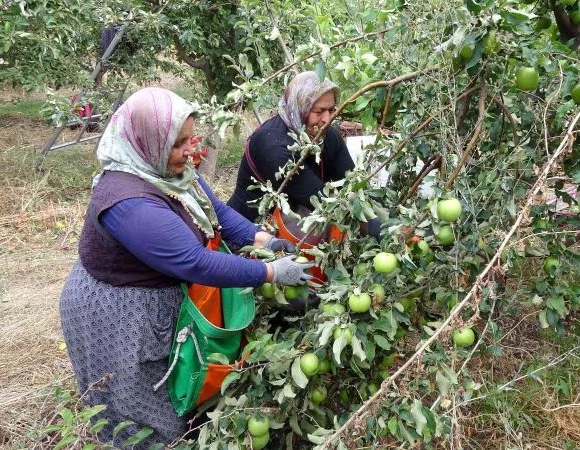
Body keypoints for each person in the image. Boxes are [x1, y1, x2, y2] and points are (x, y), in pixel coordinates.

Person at [58, 87, 313, 448]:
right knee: (138, 401)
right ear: (149, 142)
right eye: (178, 143)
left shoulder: (171, 171)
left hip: (157, 296)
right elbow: (194, 262)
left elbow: (217, 212)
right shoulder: (127, 201)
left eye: (190, 139)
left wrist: (264, 241)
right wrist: (270, 272)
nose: (190, 150)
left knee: (177, 383)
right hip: (119, 311)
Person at [227, 71, 357, 222]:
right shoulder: (273, 145)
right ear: (300, 108)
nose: (327, 119)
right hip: (248, 231)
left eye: (331, 110)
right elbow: (319, 200)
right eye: (319, 111)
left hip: (293, 228)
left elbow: (352, 185)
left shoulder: (328, 136)